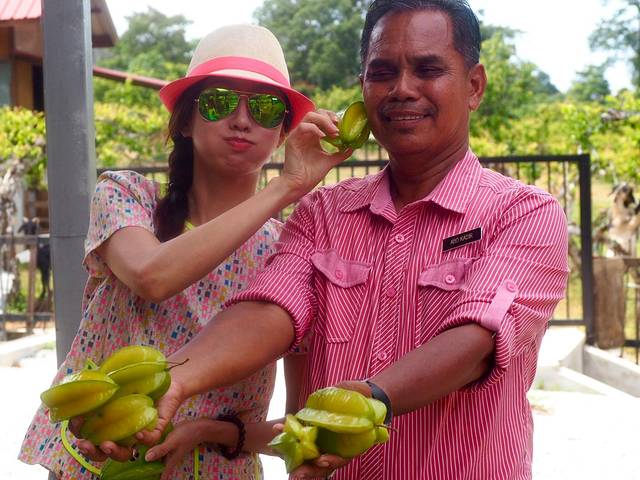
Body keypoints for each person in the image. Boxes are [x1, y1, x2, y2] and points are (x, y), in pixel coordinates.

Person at [99, 1, 570, 478]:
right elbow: (270, 310)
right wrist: (175, 380)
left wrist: (370, 399)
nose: (403, 89)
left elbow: (478, 340)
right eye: (382, 73)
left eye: (428, 70)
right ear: (363, 88)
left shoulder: (524, 213)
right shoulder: (323, 212)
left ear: (474, 86)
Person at [18, 24, 351, 479]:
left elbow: (295, 426)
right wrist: (286, 187)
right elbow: (152, 276)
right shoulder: (126, 195)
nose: (242, 120)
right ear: (186, 120)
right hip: (95, 464)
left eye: (265, 108)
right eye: (218, 102)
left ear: (281, 134)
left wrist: (206, 430)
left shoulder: (290, 252)